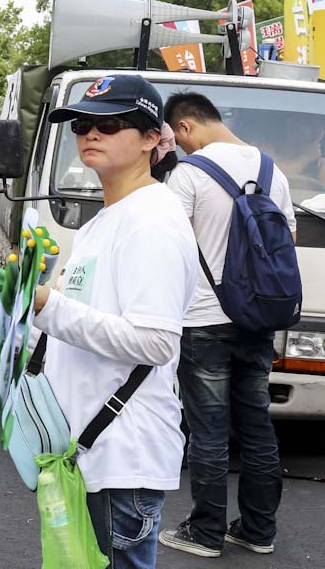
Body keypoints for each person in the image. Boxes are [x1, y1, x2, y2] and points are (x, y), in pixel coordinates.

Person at [27, 75, 197, 567]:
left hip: (123, 459)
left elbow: (154, 342)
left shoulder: (151, 222)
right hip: (87, 455)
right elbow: (76, 321)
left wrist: (46, 305)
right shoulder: (106, 218)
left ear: (152, 138)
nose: (91, 134)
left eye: (112, 123)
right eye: (82, 123)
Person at [158, 92, 294, 558]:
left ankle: (205, 532)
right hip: (257, 319)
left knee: (209, 432)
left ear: (183, 128)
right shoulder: (272, 171)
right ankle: (258, 531)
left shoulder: (189, 174)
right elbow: (286, 239)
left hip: (202, 320)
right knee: (257, 428)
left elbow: (169, 245)